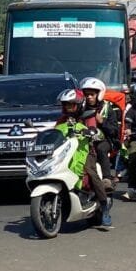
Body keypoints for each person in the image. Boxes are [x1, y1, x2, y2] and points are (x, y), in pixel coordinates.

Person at [55, 89, 112, 227]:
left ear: (79, 104)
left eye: (71, 104)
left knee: (90, 171)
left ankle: (104, 207)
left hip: (86, 151)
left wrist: (91, 132)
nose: (68, 107)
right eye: (66, 104)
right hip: (66, 152)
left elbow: (96, 131)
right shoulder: (62, 119)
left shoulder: (88, 115)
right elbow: (55, 131)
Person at [79, 77, 119, 188]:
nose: (89, 97)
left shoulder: (107, 108)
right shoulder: (80, 108)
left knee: (101, 149)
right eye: (87, 95)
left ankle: (107, 179)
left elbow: (114, 131)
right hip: (83, 139)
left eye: (92, 94)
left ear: (98, 94)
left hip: (105, 140)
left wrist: (102, 121)